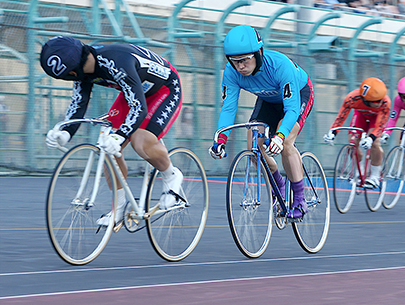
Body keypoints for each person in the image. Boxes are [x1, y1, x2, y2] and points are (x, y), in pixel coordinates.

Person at [39, 36, 184, 227]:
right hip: (133, 90)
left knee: (140, 141)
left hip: (164, 89)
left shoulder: (116, 62)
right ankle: (119, 208)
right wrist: (65, 132)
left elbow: (138, 108)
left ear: (73, 72)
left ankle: (171, 175)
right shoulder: (82, 70)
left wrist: (121, 135)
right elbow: (79, 102)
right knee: (107, 146)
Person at [209, 26, 314, 219]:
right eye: (234, 61)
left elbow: (291, 109)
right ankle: (279, 185)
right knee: (254, 146)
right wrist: (220, 138)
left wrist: (280, 136)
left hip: (298, 95)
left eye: (244, 60)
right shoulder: (231, 73)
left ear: (258, 53)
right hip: (269, 99)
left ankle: (300, 199)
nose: (240, 66)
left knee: (286, 143)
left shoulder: (280, 65)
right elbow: (229, 108)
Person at [323, 78, 391, 189]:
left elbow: (379, 126)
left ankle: (375, 175)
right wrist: (333, 132)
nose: (379, 103)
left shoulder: (385, 102)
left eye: (380, 100)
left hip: (376, 119)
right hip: (361, 116)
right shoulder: (352, 98)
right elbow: (341, 116)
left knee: (375, 143)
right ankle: (360, 168)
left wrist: (371, 138)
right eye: (375, 101)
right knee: (353, 142)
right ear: (365, 99)